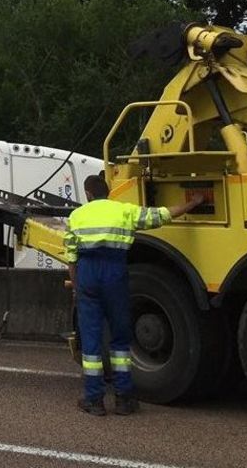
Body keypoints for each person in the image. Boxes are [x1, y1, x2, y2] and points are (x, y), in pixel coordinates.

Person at [64, 174, 204, 416]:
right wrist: (192, 204)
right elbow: (160, 215)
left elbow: (71, 257)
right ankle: (124, 398)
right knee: (120, 338)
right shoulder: (123, 211)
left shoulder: (77, 216)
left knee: (91, 340)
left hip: (88, 275)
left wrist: (77, 287)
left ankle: (94, 399)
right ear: (108, 191)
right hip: (115, 273)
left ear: (87, 194)